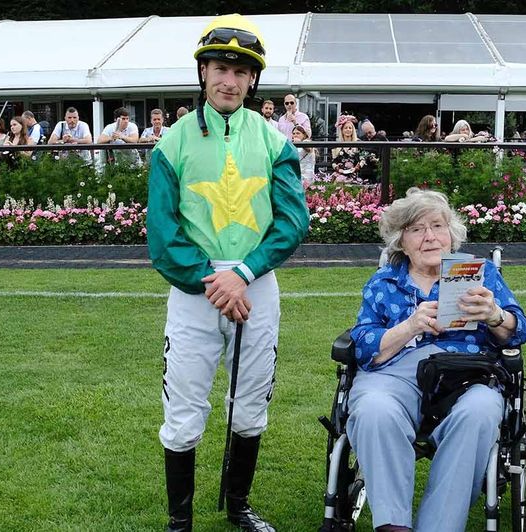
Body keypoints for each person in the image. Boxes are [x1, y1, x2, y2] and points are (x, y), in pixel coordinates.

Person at [146, 13, 310, 532]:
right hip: (195, 289)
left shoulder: (273, 140)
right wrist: (216, 282)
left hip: (255, 285)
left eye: (241, 73)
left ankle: (238, 506)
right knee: (185, 406)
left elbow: (292, 221)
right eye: (220, 68)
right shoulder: (170, 144)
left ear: (253, 80)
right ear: (203, 72)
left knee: (251, 401)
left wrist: (242, 273)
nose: (229, 81)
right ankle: (180, 521)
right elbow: (162, 236)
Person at [347, 187, 526, 532]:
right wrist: (410, 325)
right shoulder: (384, 282)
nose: (430, 237)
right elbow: (363, 345)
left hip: (466, 373)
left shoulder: (482, 273)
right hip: (394, 374)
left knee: (479, 412)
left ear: (452, 234)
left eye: (438, 226)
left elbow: (518, 330)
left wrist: (493, 314)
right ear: (401, 240)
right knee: (373, 409)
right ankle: (393, 526)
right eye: (417, 229)